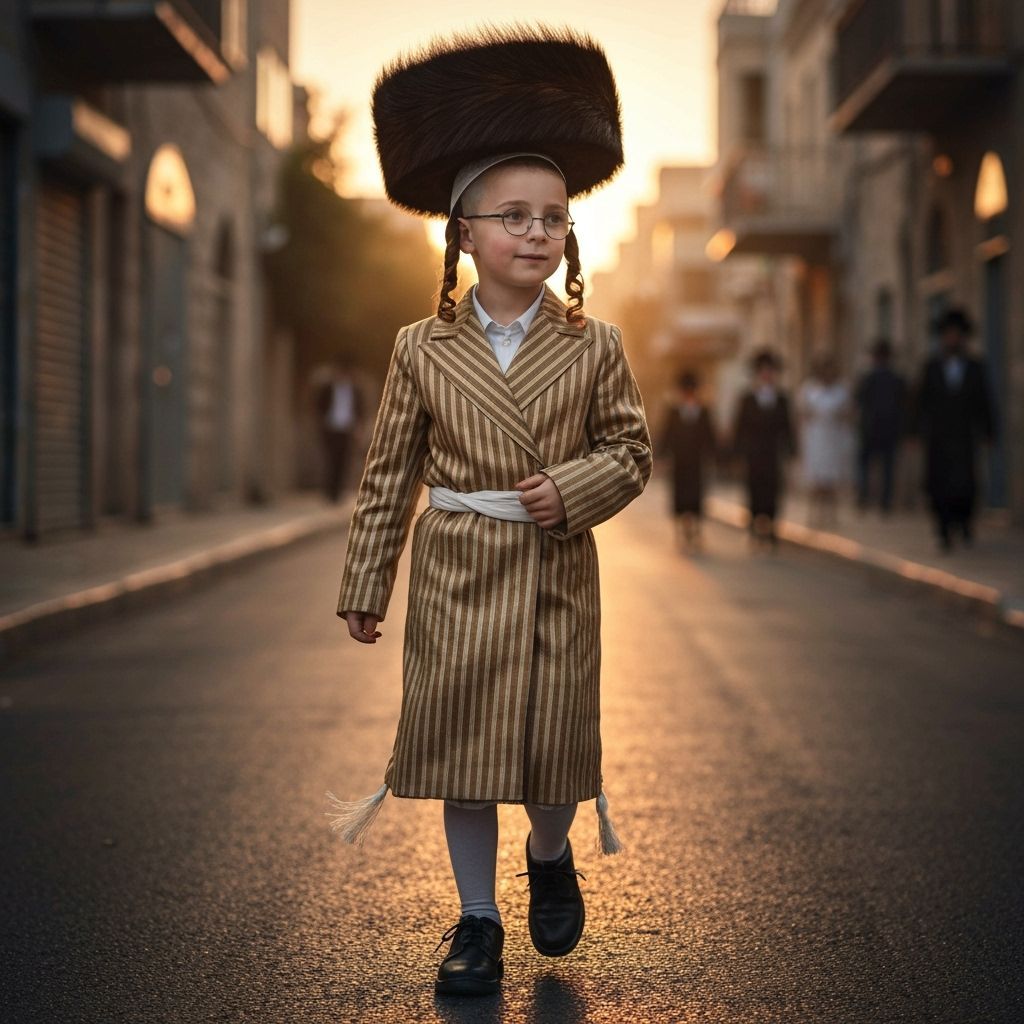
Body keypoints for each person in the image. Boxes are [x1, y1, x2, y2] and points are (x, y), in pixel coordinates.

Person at [323, 28, 652, 998]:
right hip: (457, 570)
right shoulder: (419, 347)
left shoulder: (596, 345)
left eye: (552, 217)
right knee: (463, 764)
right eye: (512, 215)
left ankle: (549, 852)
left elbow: (631, 452)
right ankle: (476, 920)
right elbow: (388, 474)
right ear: (461, 232)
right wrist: (364, 583)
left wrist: (575, 489)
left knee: (552, 763)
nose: (536, 232)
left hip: (554, 572)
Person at [913, 307, 996, 551]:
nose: (952, 339)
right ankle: (943, 529)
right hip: (938, 436)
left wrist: (989, 431)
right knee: (938, 484)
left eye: (956, 335)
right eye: (948, 335)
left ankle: (964, 523)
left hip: (964, 435)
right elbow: (920, 402)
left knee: (965, 483)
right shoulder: (931, 367)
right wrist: (914, 432)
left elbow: (985, 401)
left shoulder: (974, 367)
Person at [732, 348, 796, 549]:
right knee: (754, 488)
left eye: (770, 371)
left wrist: (791, 450)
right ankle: (754, 526)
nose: (767, 375)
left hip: (772, 452)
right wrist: (736, 453)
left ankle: (772, 527)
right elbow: (739, 427)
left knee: (773, 489)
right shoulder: (747, 399)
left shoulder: (782, 399)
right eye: (763, 371)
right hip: (753, 452)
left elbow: (787, 427)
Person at [657, 369, 717, 553]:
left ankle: (696, 531)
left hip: (697, 462)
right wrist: (660, 456)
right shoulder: (674, 411)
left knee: (697, 497)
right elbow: (666, 435)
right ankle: (681, 532)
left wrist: (717, 456)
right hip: (679, 462)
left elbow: (710, 436)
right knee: (680, 497)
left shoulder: (704, 411)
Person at [797, 352, 852, 529]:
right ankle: (814, 515)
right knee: (816, 479)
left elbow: (848, 412)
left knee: (831, 480)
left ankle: (831, 516)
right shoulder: (809, 389)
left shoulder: (841, 390)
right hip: (816, 438)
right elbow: (803, 412)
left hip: (834, 438)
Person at [854, 338, 907, 514]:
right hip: (880, 429)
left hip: (876, 429)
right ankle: (879, 499)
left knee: (876, 465)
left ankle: (868, 496)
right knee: (883, 466)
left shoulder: (877, 379)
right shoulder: (890, 379)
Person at [314, 356, 364, 503]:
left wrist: (359, 427)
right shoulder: (328, 388)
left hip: (347, 429)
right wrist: (321, 422)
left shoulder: (355, 390)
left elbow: (360, 410)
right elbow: (318, 406)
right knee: (330, 460)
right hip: (330, 428)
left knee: (343, 461)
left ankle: (338, 494)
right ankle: (329, 492)